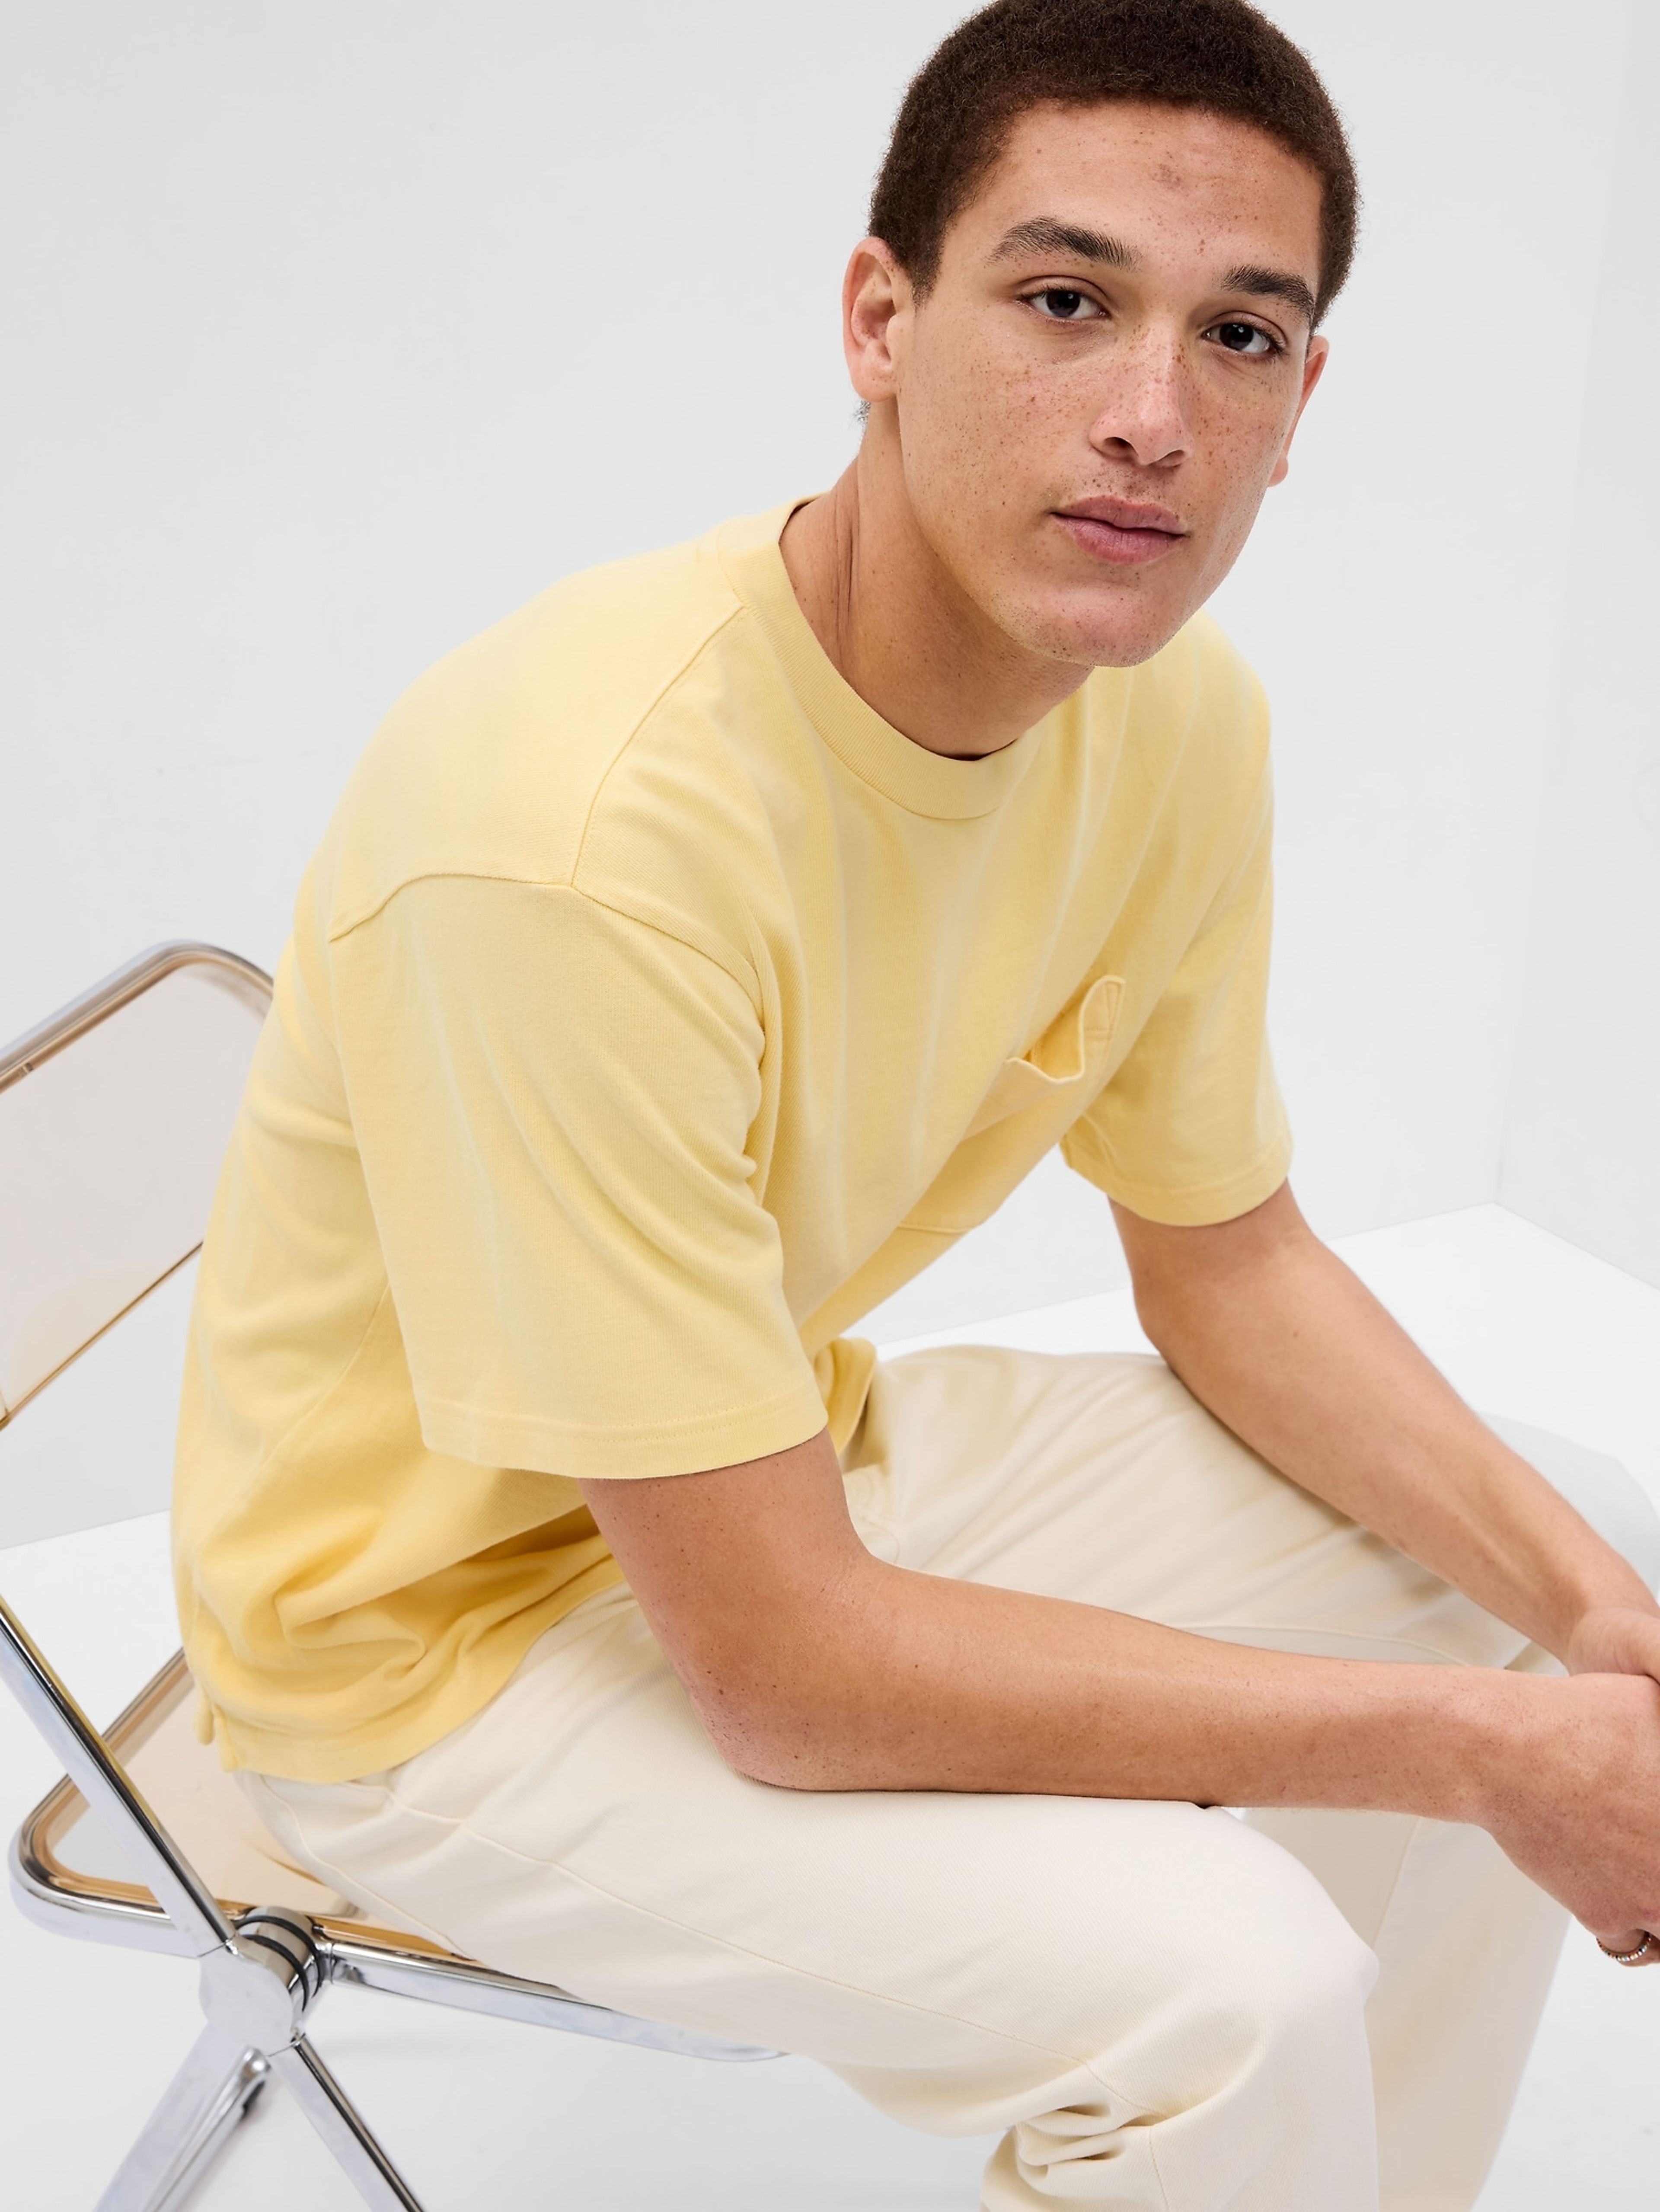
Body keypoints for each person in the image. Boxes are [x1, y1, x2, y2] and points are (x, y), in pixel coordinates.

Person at [172, 2, 1660, 2205]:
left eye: (1239, 336)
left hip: (768, 1473)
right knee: (1229, 1988)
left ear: (1302, 403)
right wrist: (1479, 1755)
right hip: (423, 1665)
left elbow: (1230, 1259)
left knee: (1539, 1561)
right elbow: (784, 1670)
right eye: (1066, 302)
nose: (1152, 415)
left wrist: (1602, 1633)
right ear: (882, 319)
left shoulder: (1175, 722)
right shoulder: (574, 841)